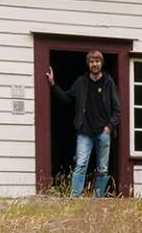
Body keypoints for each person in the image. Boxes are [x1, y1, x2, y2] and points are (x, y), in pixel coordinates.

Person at [47, 50, 120, 197]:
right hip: (84, 132)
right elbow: (67, 99)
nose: (95, 64)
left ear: (101, 63)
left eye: (97, 61)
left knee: (102, 168)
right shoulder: (81, 82)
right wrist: (53, 85)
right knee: (80, 166)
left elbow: (117, 110)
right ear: (88, 63)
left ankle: (98, 198)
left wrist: (109, 127)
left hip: (103, 133)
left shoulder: (108, 82)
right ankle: (75, 197)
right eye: (92, 61)